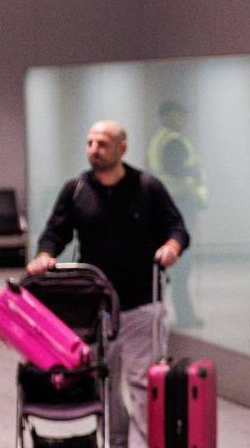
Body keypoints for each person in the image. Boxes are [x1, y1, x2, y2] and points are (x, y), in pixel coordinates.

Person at [27, 120, 190, 448]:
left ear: (122, 148)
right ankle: (117, 442)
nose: (94, 150)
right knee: (107, 384)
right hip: (97, 310)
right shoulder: (77, 189)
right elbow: (56, 230)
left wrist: (171, 247)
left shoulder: (147, 187)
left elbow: (177, 228)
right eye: (89, 143)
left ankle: (145, 443)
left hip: (142, 304)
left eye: (102, 144)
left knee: (143, 384)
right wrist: (45, 255)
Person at [147, 101, 207, 328]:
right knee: (182, 265)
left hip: (168, 206)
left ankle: (178, 315)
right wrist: (194, 172)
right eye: (178, 115)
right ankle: (185, 317)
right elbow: (177, 169)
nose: (183, 120)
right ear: (168, 116)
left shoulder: (160, 140)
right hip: (179, 205)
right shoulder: (172, 141)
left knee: (176, 266)